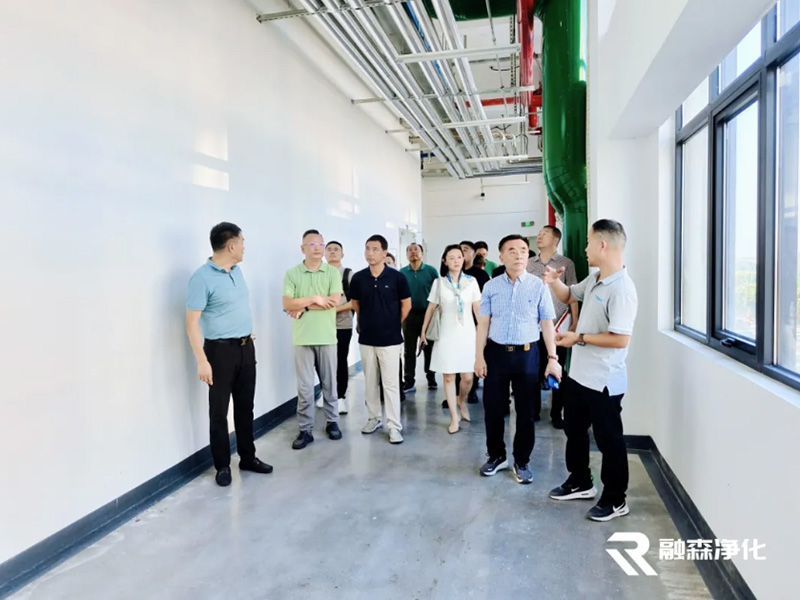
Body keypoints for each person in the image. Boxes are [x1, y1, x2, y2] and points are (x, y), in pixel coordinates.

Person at [544, 219, 638, 522]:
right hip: (580, 376)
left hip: (604, 380)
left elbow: (620, 339)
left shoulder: (622, 289)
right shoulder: (596, 278)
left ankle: (616, 499)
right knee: (574, 431)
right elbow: (568, 295)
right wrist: (553, 281)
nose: (585, 248)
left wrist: (578, 338)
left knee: (609, 441)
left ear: (602, 244)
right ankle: (581, 481)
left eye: (588, 242)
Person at [186, 222, 273, 487]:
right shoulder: (201, 278)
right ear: (231, 245)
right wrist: (202, 361)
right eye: (242, 242)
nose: (245, 247)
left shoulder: (237, 271)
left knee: (246, 407)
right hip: (219, 352)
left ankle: (248, 457)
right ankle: (222, 466)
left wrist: (244, 332)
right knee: (219, 411)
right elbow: (191, 324)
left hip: (246, 348)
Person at [475, 234, 561, 484]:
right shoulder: (491, 287)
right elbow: (483, 325)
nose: (518, 254)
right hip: (496, 354)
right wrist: (479, 356)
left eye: (523, 250)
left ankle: (522, 461)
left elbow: (547, 324)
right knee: (493, 409)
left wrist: (552, 358)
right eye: (511, 250)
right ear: (501, 256)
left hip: (527, 355)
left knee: (526, 412)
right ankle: (496, 456)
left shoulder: (538, 286)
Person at [282, 230, 343, 450]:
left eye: (320, 244)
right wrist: (316, 298)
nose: (317, 248)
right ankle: (305, 429)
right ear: (303, 249)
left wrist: (305, 306)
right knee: (305, 388)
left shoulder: (332, 272)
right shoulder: (292, 274)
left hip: (327, 337)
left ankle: (332, 422)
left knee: (330, 383)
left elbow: (334, 301)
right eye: (312, 244)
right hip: (302, 338)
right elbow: (287, 304)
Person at [350, 235, 412, 444]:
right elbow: (355, 303)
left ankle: (394, 426)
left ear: (385, 253)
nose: (370, 253)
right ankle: (373, 418)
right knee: (370, 382)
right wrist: (363, 322)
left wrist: (393, 323)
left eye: (375, 249)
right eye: (367, 248)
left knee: (391, 384)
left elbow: (406, 305)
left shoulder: (397, 278)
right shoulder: (359, 278)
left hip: (390, 340)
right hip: (367, 338)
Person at [420, 245, 481, 433]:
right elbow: (431, 308)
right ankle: (454, 417)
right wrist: (423, 332)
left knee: (468, 378)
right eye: (451, 257)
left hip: (467, 335)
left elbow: (477, 310)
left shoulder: (471, 282)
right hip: (446, 335)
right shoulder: (439, 283)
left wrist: (483, 333)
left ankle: (461, 400)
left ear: (463, 259)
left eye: (459, 257)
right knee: (448, 377)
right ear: (445, 261)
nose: (456, 261)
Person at [526, 225, 579, 427]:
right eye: (539, 234)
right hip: (534, 326)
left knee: (558, 370)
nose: (539, 237)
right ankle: (533, 411)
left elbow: (573, 293)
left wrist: (575, 321)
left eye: (545, 234)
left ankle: (557, 413)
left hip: (559, 326)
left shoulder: (566, 264)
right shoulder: (529, 264)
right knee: (534, 370)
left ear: (556, 240)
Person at [400, 243, 439, 393]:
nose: (413, 252)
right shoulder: (402, 273)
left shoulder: (431, 271)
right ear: (406, 255)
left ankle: (431, 377)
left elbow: (438, 291)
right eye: (410, 250)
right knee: (409, 350)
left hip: (427, 315)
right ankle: (409, 381)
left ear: (422, 253)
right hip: (409, 316)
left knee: (429, 348)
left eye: (416, 249)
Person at [325, 240, 355, 414]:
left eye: (336, 249)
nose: (332, 252)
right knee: (322, 362)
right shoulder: (320, 274)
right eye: (329, 249)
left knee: (340, 360)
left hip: (343, 325)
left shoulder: (348, 275)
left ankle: (341, 396)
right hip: (322, 326)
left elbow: (355, 302)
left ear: (342, 254)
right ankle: (327, 393)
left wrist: (334, 310)